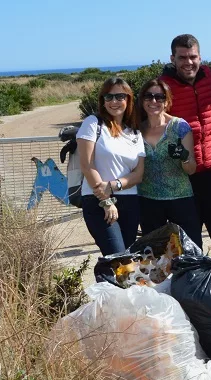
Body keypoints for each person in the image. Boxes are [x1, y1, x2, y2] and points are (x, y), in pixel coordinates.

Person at [159, 34, 211, 256]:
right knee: (189, 242)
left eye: (192, 57)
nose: (188, 62)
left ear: (200, 57)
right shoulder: (163, 85)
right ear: (173, 58)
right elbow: (138, 115)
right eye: (182, 57)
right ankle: (193, 287)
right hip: (181, 175)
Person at [76, 77, 145, 255]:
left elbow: (138, 174)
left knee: (125, 260)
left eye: (120, 96)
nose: (114, 102)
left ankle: (106, 283)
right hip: (98, 200)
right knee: (116, 257)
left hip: (130, 201)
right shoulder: (93, 123)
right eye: (109, 97)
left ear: (128, 99)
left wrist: (114, 185)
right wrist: (106, 200)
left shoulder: (134, 132)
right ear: (103, 100)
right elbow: (87, 165)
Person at [136, 78, 202, 248]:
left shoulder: (180, 127)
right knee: (154, 254)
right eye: (148, 96)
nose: (154, 101)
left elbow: (191, 169)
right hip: (148, 200)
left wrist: (184, 156)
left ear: (167, 102)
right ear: (142, 100)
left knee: (189, 250)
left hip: (180, 199)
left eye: (160, 97)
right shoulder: (136, 129)